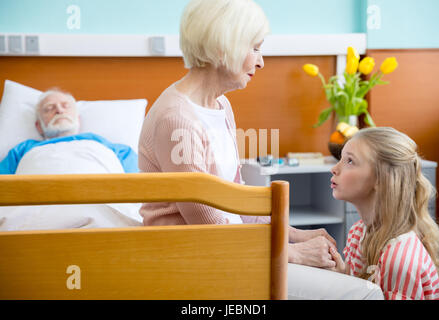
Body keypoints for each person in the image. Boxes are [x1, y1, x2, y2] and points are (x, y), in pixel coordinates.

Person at [138, 0, 385, 300]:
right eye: (254, 48)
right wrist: (293, 253)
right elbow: (212, 231)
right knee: (365, 293)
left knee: (338, 274)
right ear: (222, 47)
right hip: (198, 261)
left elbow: (236, 203)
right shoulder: (176, 119)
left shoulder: (219, 106)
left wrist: (294, 234)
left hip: (230, 250)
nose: (261, 61)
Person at [329, 127, 439, 300]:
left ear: (381, 178)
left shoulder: (399, 260)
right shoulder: (358, 232)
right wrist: (339, 273)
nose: (334, 168)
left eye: (349, 161)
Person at [0, 88, 138, 175]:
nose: (59, 111)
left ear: (78, 119)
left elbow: (140, 188)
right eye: (49, 108)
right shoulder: (21, 151)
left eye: (66, 106)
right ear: (39, 127)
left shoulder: (113, 148)